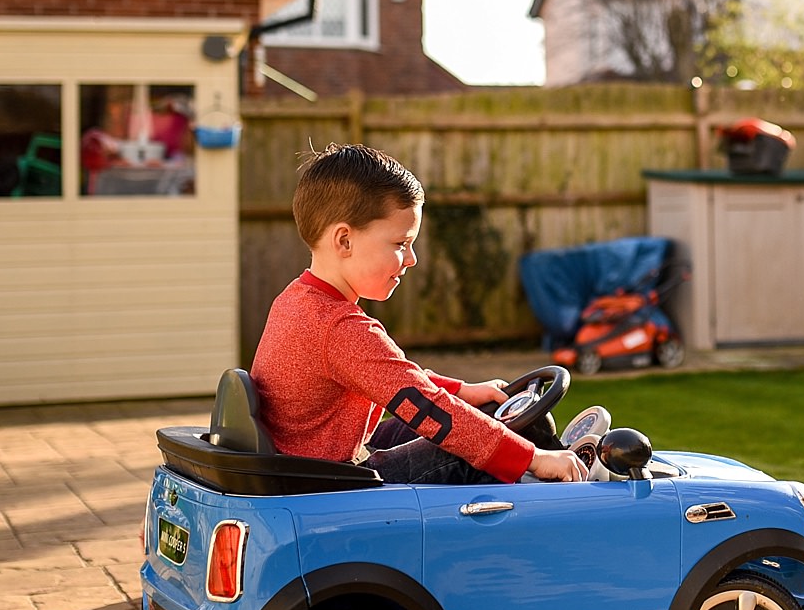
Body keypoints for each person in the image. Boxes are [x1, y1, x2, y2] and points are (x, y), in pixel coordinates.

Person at [251, 142, 586, 485]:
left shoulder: (296, 300)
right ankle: (578, 487)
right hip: (332, 486)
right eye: (400, 244)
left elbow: (398, 380)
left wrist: (463, 391)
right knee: (497, 440)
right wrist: (533, 458)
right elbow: (427, 408)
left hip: (321, 465)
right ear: (344, 241)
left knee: (484, 419)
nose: (411, 259)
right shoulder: (341, 329)